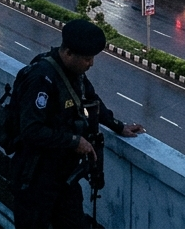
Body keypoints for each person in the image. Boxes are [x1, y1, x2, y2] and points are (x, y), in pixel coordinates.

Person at [10, 19, 145, 228]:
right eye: (87, 58)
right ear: (69, 53)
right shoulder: (42, 79)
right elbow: (31, 130)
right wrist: (74, 141)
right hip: (36, 175)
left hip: (64, 175)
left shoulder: (74, 74)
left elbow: (91, 101)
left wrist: (118, 125)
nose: (91, 64)